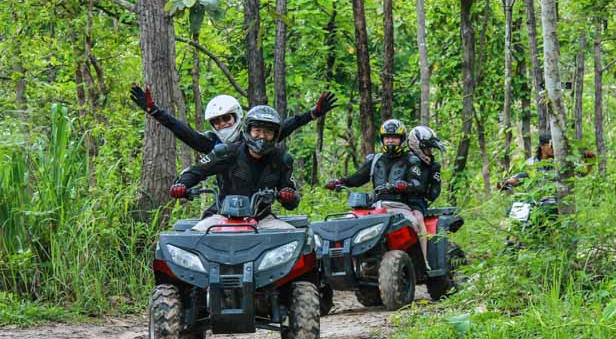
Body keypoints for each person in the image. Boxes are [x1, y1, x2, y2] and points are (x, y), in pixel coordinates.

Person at [169, 105, 300, 231]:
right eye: (257, 131)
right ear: (248, 131)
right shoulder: (226, 152)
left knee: (297, 240)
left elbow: (292, 200)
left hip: (263, 220)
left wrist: (287, 195)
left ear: (275, 135)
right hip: (221, 217)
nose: (262, 136)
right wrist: (182, 185)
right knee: (191, 242)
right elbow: (197, 171)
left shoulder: (282, 159)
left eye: (268, 132)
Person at [324, 119, 430, 265]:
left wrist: (405, 185)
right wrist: (339, 182)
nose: (390, 141)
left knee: (415, 224)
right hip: (375, 207)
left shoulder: (411, 160)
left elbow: (418, 184)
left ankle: (425, 262)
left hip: (399, 207)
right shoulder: (375, 160)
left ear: (402, 139)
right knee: (347, 221)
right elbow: (357, 178)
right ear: (382, 139)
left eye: (394, 137)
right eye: (387, 137)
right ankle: (347, 263)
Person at [130, 86, 337, 154]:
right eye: (217, 121)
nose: (222, 125)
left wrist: (313, 113)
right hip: (224, 206)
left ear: (237, 115)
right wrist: (155, 111)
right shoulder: (212, 144)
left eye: (226, 118)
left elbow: (286, 126)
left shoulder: (256, 136)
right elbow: (183, 130)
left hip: (259, 206)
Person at [406, 125, 444, 215]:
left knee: (417, 218)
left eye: (430, 149)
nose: (430, 152)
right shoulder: (403, 160)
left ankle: (422, 230)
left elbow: (434, 193)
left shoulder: (433, 166)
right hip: (394, 203)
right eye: (428, 149)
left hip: (417, 204)